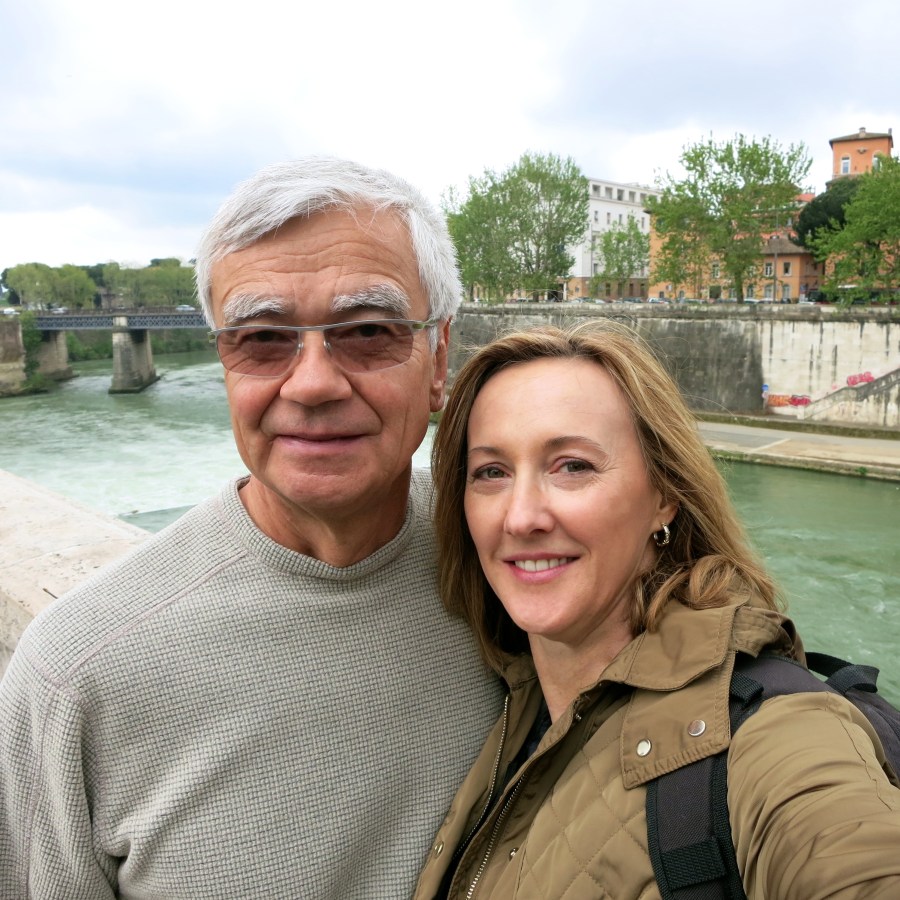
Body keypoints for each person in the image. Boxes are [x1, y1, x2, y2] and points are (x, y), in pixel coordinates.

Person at [0, 158, 502, 899]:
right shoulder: (75, 678)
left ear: (438, 358)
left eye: (368, 331)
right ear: (224, 364)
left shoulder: (522, 564)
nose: (314, 383)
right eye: (263, 338)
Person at [415, 322, 900, 899]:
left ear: (664, 496)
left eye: (573, 466)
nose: (521, 517)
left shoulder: (774, 731)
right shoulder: (504, 694)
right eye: (491, 472)